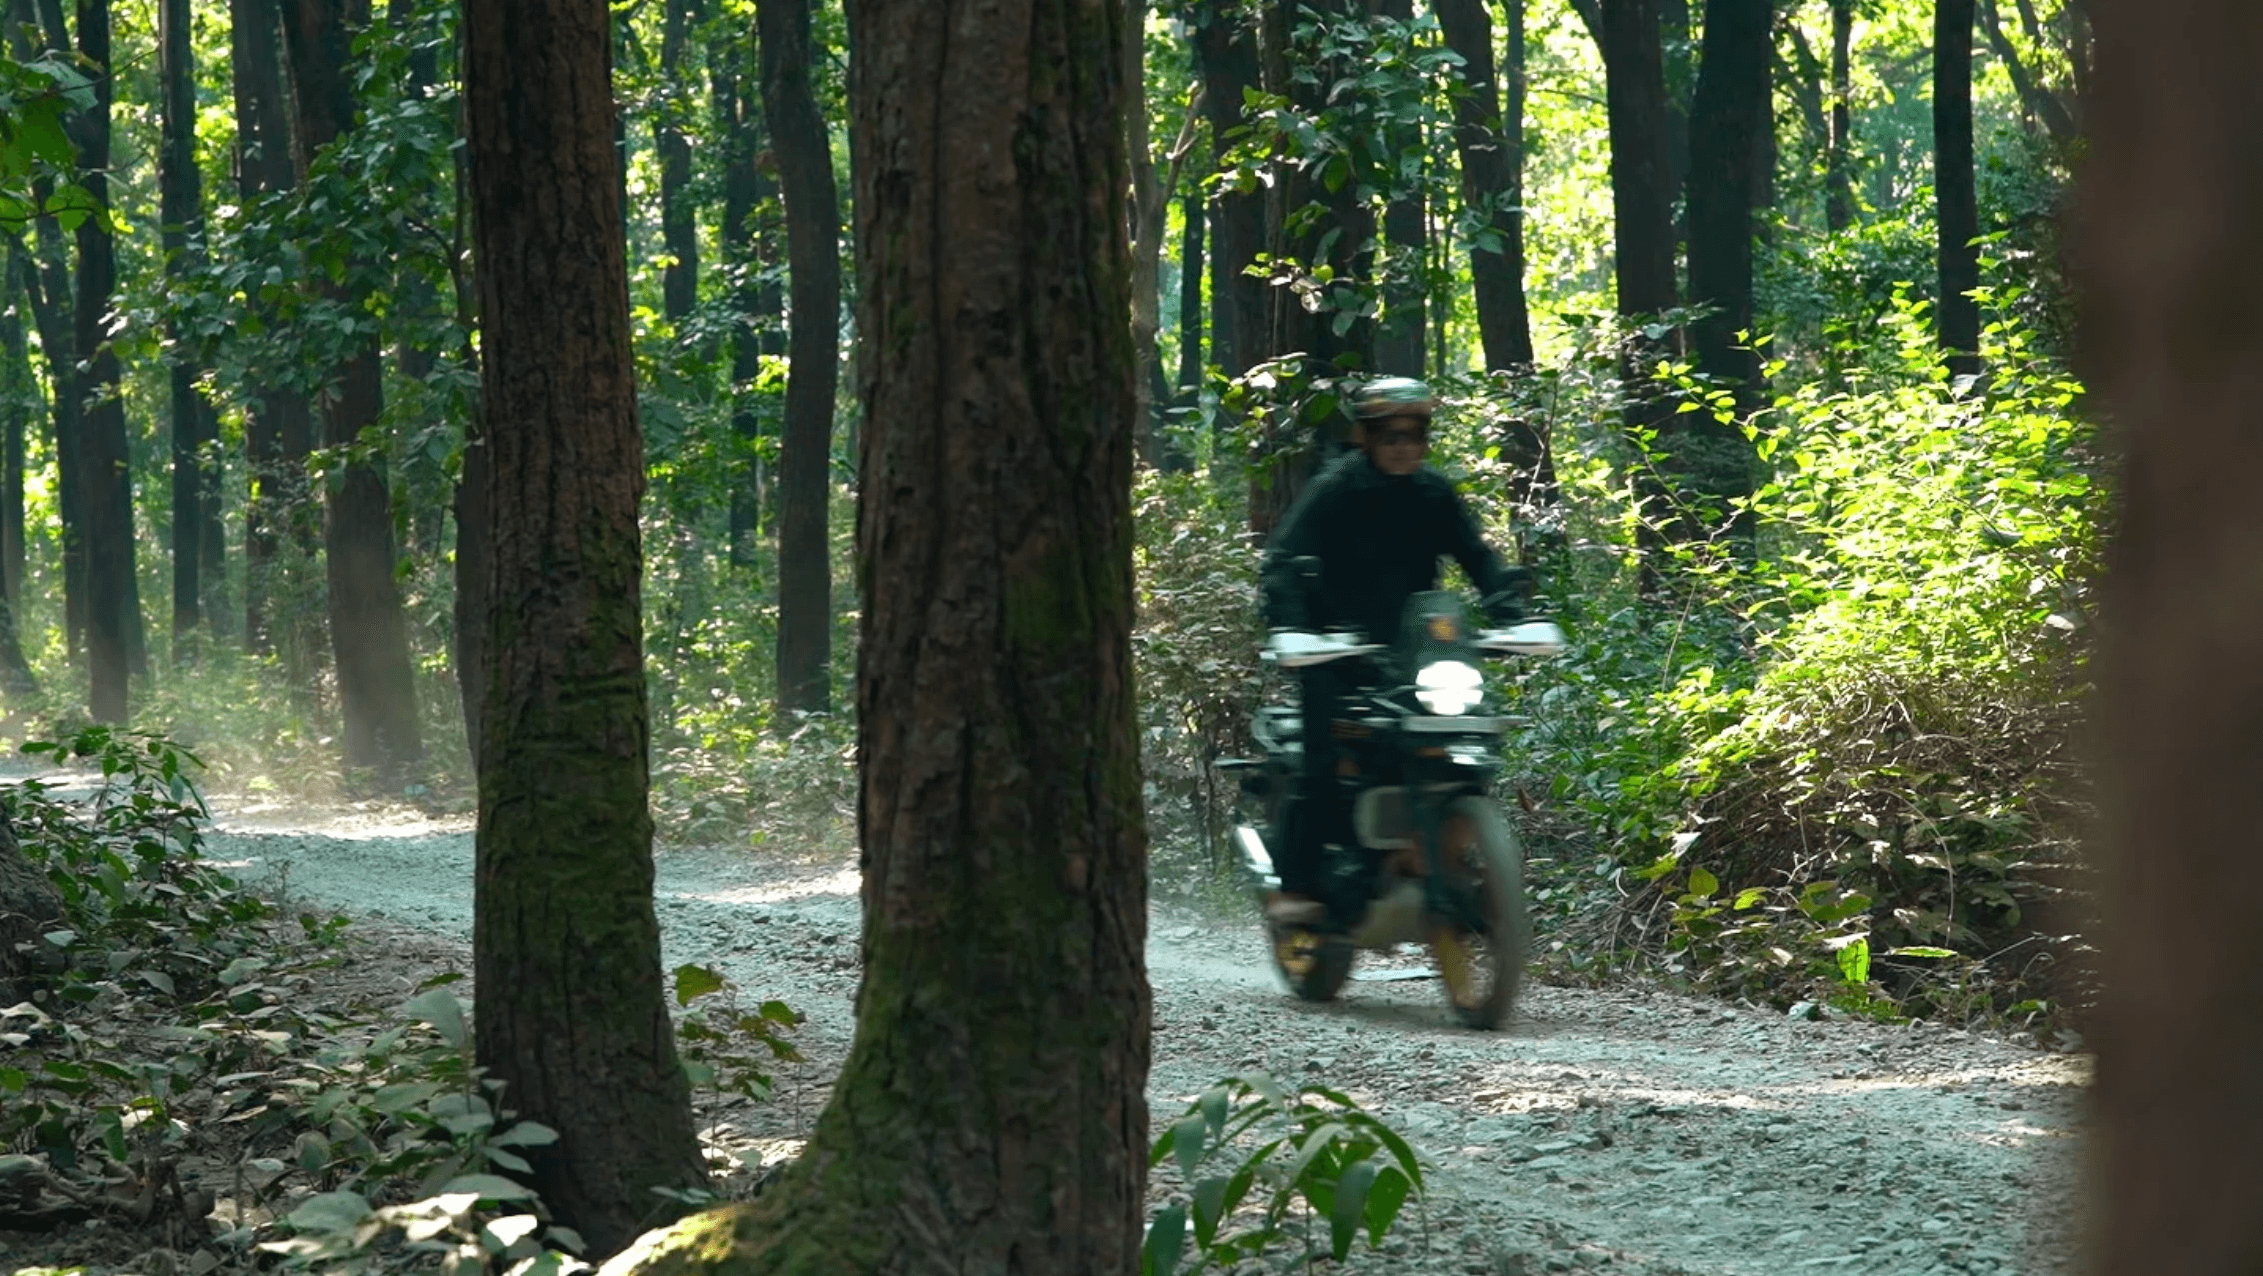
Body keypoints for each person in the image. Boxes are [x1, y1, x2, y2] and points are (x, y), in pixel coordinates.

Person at [1258, 376, 1531, 925]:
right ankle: (1296, 885)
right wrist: (1291, 628)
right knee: (1322, 763)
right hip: (1333, 651)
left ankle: (1428, 845)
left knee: (1463, 737)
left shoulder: (1434, 493)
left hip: (1419, 652)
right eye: (1390, 435)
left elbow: (1478, 558)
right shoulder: (1335, 490)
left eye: (1415, 433)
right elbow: (1283, 560)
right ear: (1365, 436)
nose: (1404, 445)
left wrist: (1512, 615)